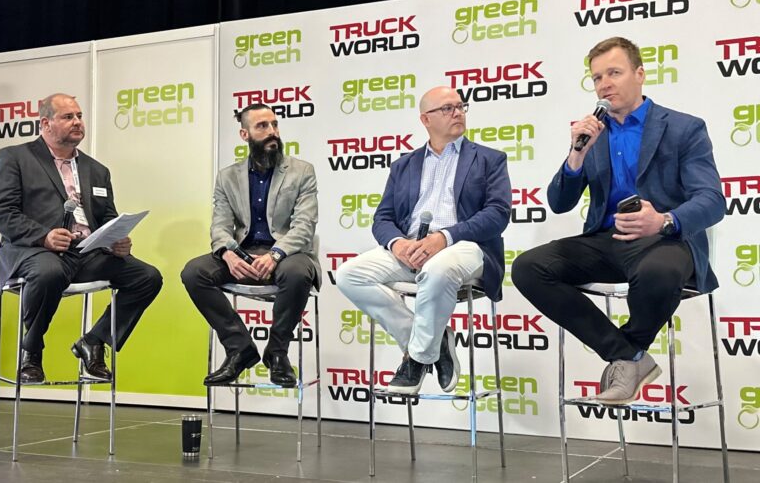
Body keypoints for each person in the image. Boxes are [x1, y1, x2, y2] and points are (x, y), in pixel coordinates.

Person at [512, 37, 725, 405]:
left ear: (639, 74)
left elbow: (712, 200)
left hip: (665, 239)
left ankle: (629, 354)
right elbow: (558, 203)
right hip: (606, 240)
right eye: (597, 78)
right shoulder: (592, 133)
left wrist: (663, 220)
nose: (604, 84)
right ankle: (628, 355)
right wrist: (576, 156)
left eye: (614, 72)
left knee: (659, 271)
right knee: (528, 268)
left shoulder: (684, 128)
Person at [336, 86, 511, 395]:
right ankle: (435, 340)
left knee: (438, 269)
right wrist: (398, 245)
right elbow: (383, 218)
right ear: (425, 119)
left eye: (460, 106)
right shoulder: (404, 165)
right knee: (349, 275)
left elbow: (497, 215)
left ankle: (416, 359)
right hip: (411, 249)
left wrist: (444, 237)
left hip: (466, 247)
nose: (457, 112)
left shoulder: (489, 159)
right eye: (447, 108)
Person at [0, 93, 163, 383]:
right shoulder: (16, 157)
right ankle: (32, 352)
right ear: (45, 123)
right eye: (68, 117)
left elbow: (107, 216)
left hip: (85, 253)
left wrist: (117, 239)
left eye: (79, 116)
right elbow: (1, 213)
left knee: (147, 277)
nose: (77, 122)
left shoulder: (97, 170)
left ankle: (94, 341)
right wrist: (43, 236)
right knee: (49, 271)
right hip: (34, 252)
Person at [181, 103, 320, 388]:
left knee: (296, 273)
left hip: (288, 253)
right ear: (245, 134)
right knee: (194, 272)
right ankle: (239, 347)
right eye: (262, 126)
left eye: (274, 124)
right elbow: (220, 225)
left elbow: (304, 226)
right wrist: (228, 253)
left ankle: (277, 352)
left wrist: (276, 254)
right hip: (244, 251)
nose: (272, 132)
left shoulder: (302, 171)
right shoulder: (227, 176)